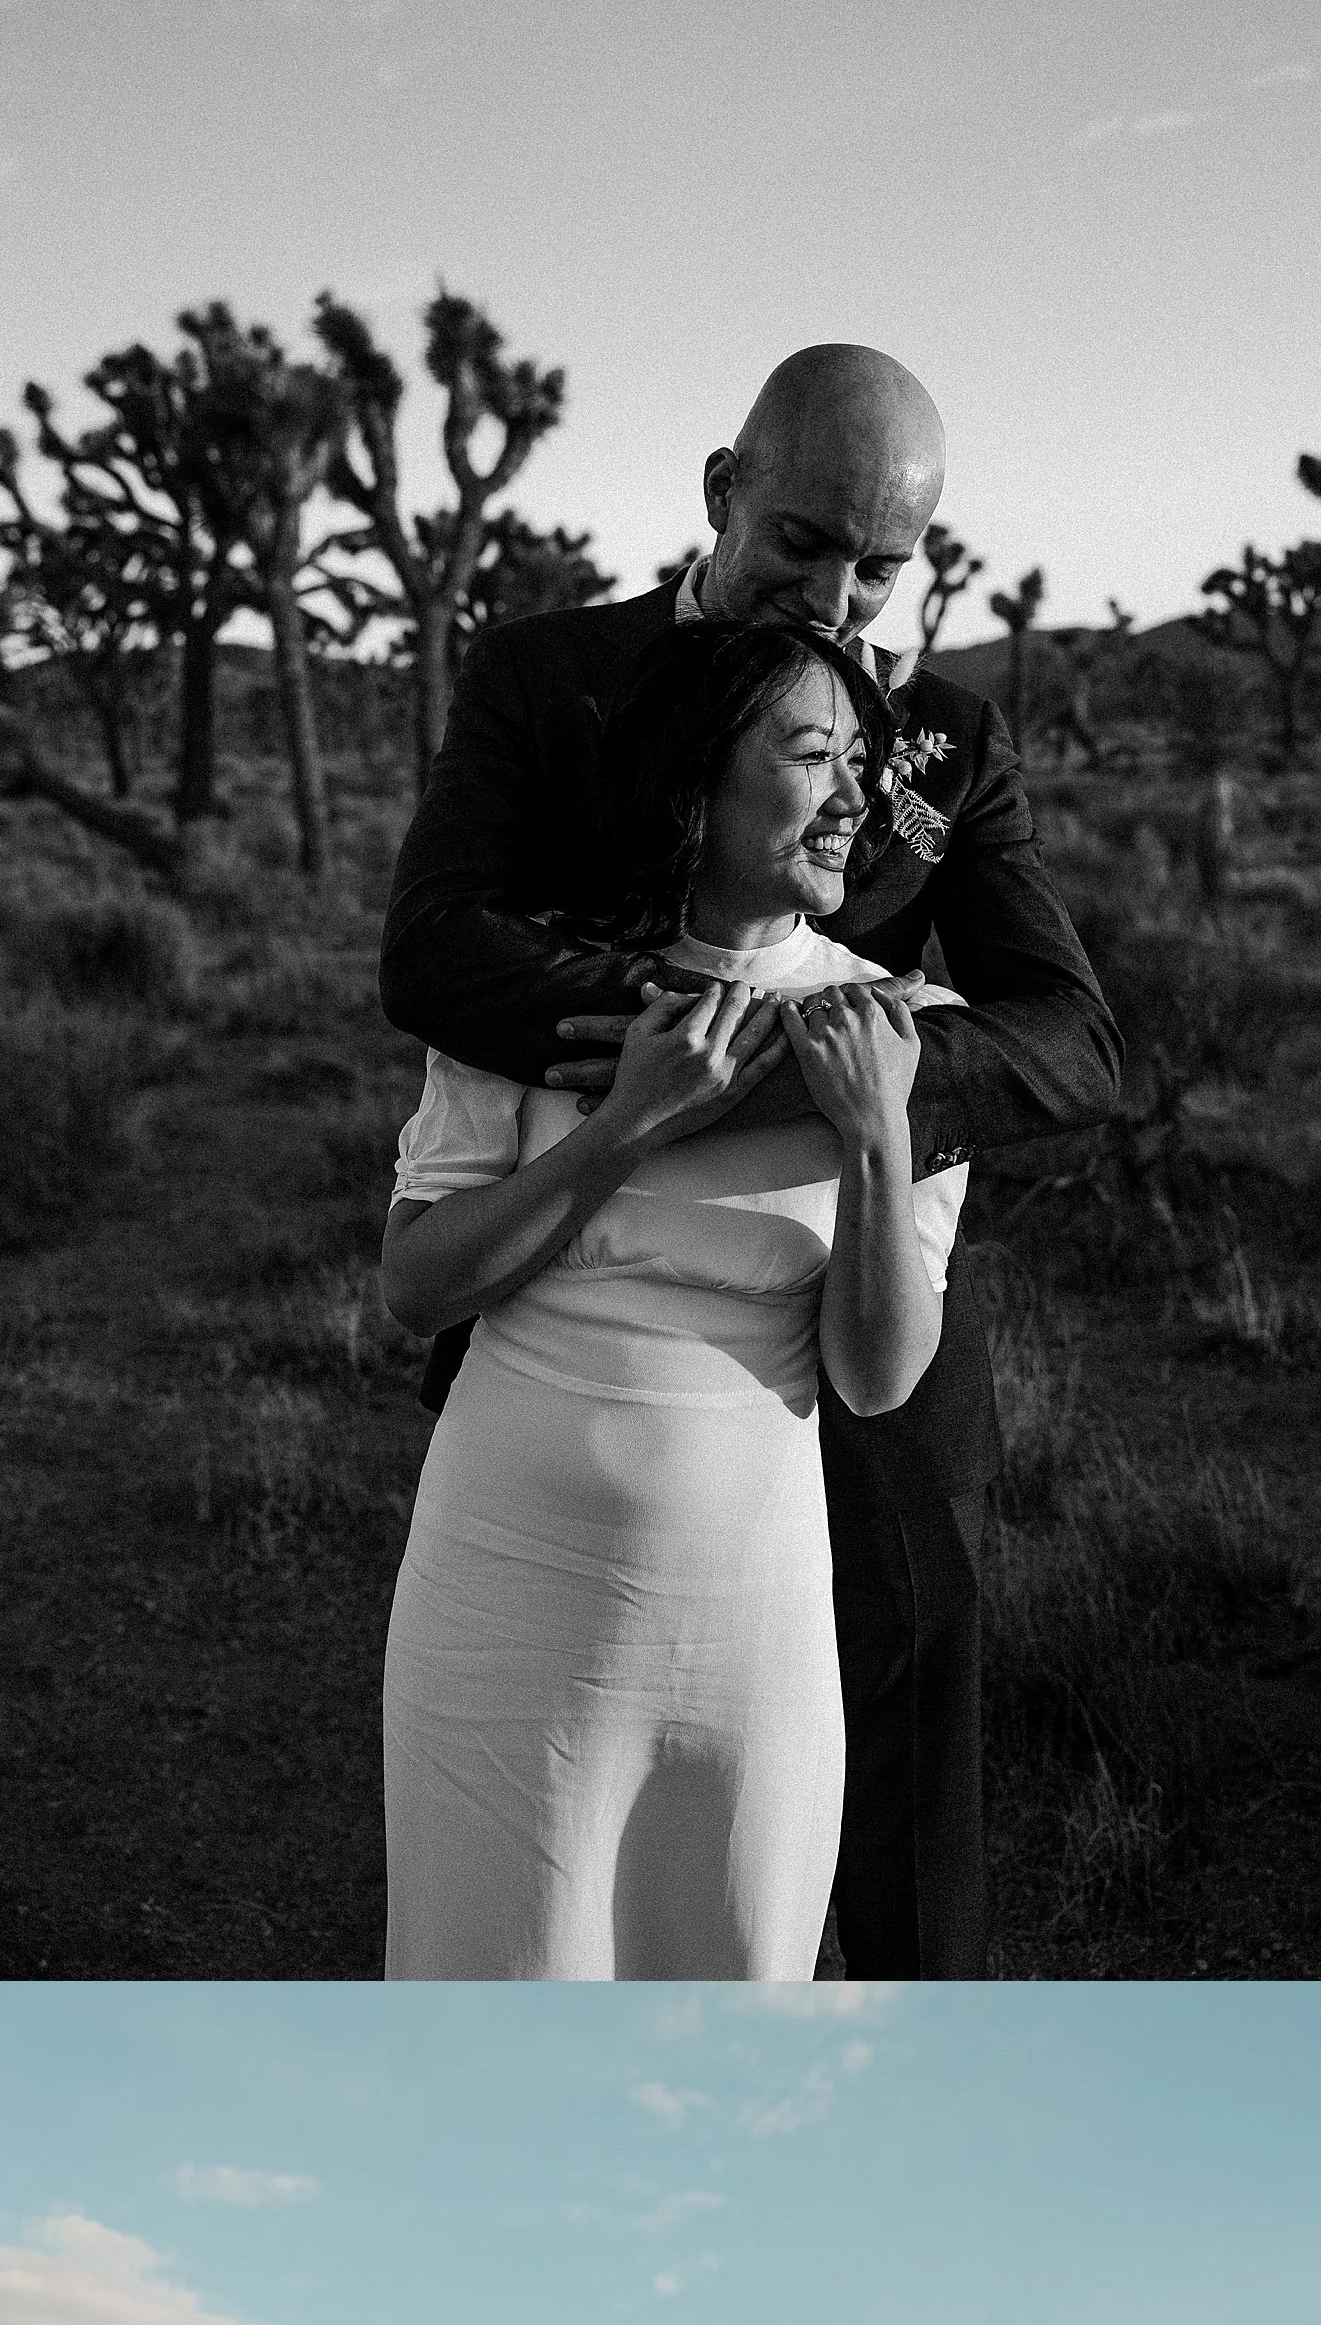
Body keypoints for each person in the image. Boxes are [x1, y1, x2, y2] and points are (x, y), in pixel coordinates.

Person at [380, 334, 1120, 1977]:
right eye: (803, 541)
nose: (838, 594)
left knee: (909, 1703)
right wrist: (683, 1053)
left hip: (857, 1265)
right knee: (550, 1788)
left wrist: (822, 1075)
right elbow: (434, 953)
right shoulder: (547, 673)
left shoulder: (945, 737)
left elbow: (1071, 1039)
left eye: (883, 565)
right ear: (723, 492)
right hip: (569, 1299)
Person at [380, 623, 974, 1982]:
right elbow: (416, 1287)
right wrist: (626, 1128)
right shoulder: (531, 990)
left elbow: (877, 1378)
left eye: (864, 763)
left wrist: (879, 1135)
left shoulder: (904, 1025)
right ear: (697, 783)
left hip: (748, 1607)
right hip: (502, 1586)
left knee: (730, 1996)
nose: (852, 798)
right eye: (812, 753)